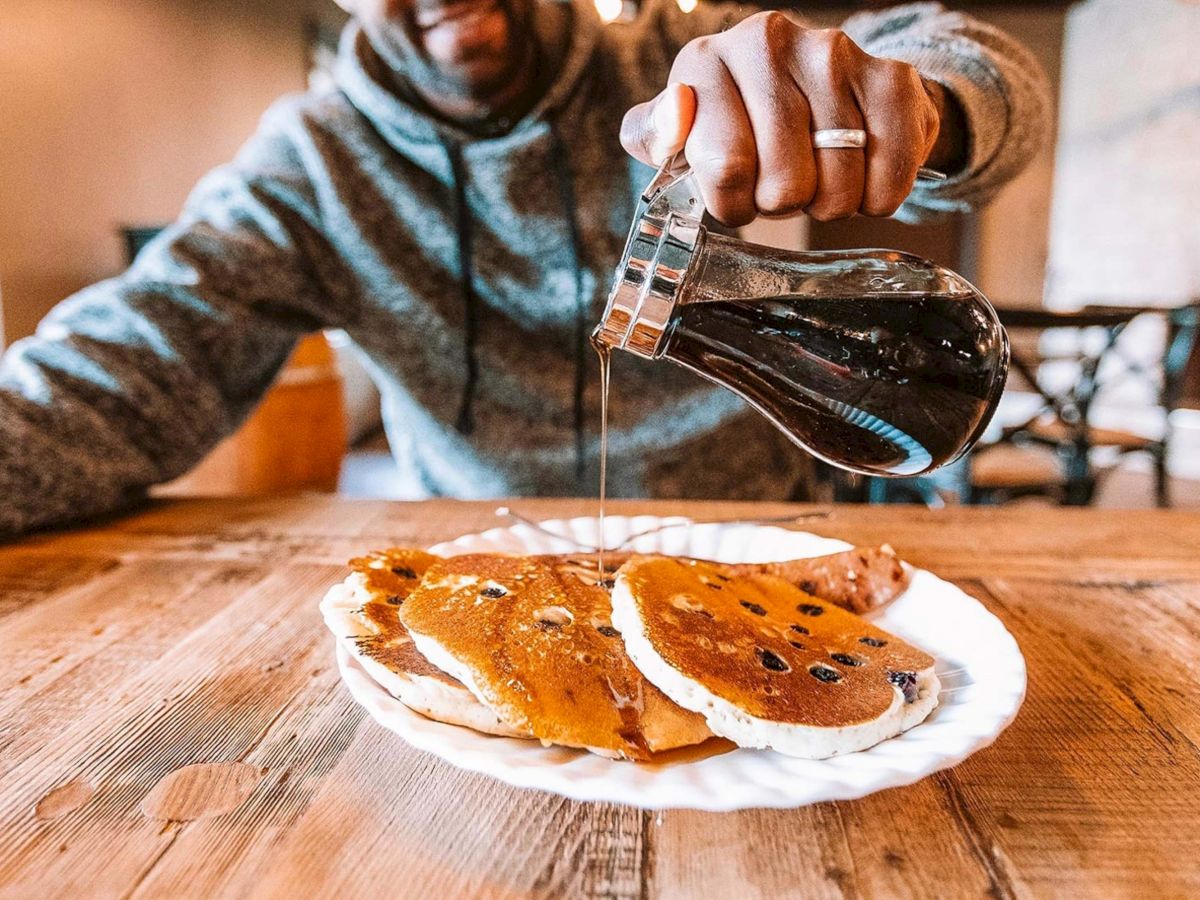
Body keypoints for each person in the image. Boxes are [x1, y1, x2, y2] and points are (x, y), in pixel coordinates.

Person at [0, 0, 1049, 537]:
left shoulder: (673, 55)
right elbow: (116, 378)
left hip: (763, 539)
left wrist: (928, 107)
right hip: (491, 562)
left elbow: (984, 67)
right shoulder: (311, 166)